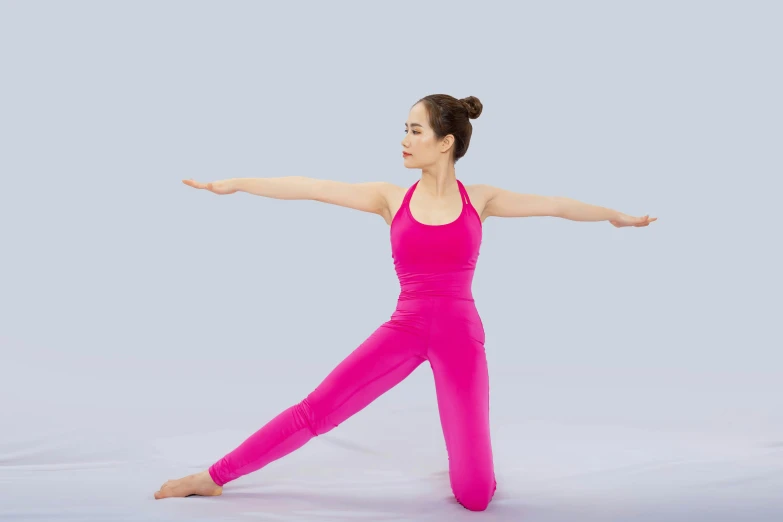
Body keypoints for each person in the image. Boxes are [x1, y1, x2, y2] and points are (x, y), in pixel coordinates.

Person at [153, 94, 656, 511]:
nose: (404, 140)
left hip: (461, 335)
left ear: (447, 142)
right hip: (406, 327)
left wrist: (615, 217)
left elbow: (558, 206)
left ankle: (472, 466)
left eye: (415, 131)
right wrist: (235, 184)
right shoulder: (390, 198)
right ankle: (214, 475)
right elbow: (310, 188)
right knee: (317, 409)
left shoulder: (479, 198)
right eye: (405, 129)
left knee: (476, 498)